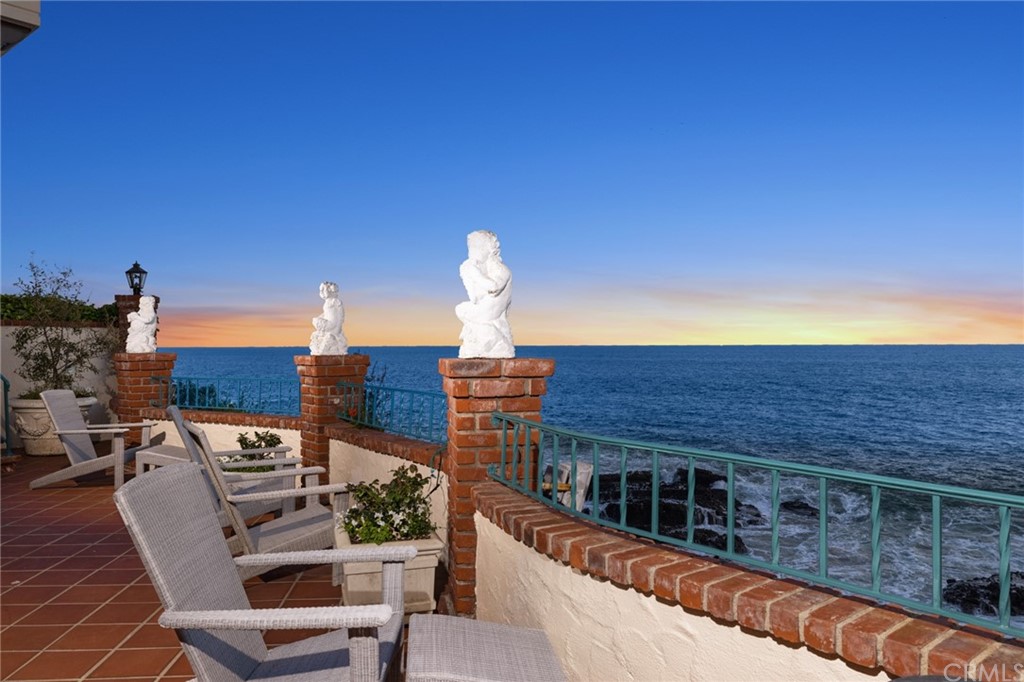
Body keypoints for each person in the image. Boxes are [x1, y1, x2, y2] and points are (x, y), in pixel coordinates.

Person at [456, 230, 514, 358]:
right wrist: (467, 274)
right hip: (484, 310)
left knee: (462, 310)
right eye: (470, 248)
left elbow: (493, 287)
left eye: (476, 247)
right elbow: (475, 298)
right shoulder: (481, 270)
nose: (471, 251)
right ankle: (481, 335)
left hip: (492, 312)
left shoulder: (502, 270)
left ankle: (489, 336)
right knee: (460, 308)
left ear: (489, 249)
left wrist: (474, 273)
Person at [309, 281, 348, 355]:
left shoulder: (335, 301)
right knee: (315, 320)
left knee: (315, 320)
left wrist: (338, 329)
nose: (321, 292)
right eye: (321, 290)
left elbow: (341, 315)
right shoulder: (328, 302)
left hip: (331, 324)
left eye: (323, 290)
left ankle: (328, 341)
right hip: (330, 323)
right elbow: (326, 313)